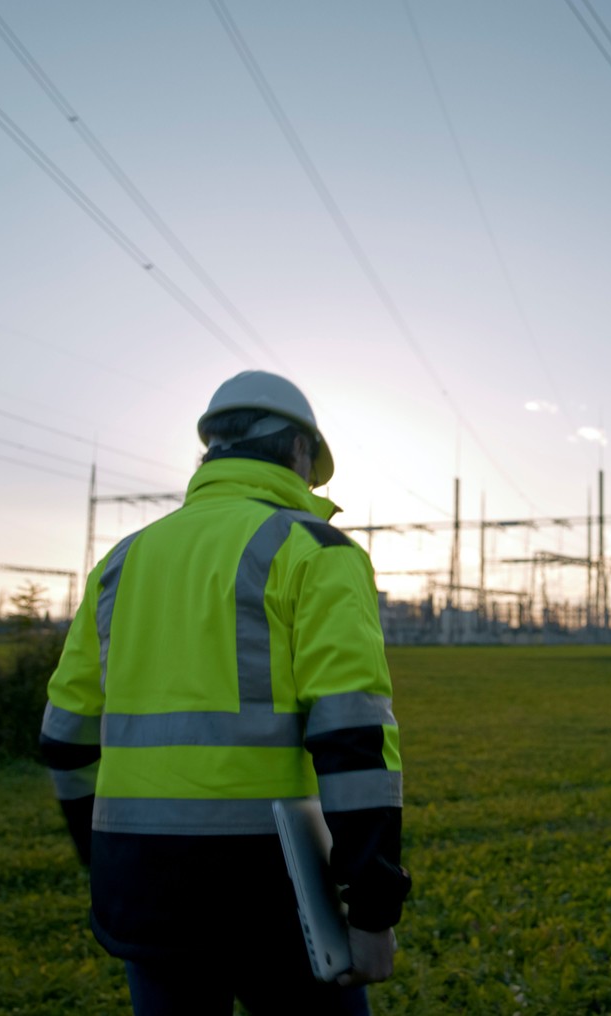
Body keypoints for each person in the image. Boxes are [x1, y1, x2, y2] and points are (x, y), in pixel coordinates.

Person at [39, 370, 409, 1015]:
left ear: (210, 452)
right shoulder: (314, 550)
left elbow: (63, 740)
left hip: (140, 885)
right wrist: (373, 913)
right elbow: (353, 739)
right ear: (298, 451)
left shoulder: (121, 563)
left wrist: (100, 856)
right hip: (277, 893)